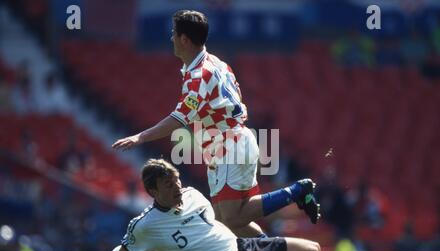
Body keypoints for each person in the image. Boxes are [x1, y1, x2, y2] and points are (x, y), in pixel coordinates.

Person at [112, 10, 320, 237]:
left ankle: (297, 191)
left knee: (231, 217)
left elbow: (179, 118)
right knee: (226, 221)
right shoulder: (217, 63)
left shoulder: (199, 75)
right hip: (226, 145)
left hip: (229, 144)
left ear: (184, 39)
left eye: (174, 33)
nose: (171, 38)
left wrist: (140, 137)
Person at [118, 158, 355, 251]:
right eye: (168, 185)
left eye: (176, 180)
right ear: (153, 191)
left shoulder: (193, 195)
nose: (177, 187)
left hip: (243, 247)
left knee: (311, 249)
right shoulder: (145, 225)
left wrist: (261, 241)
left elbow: (218, 224)